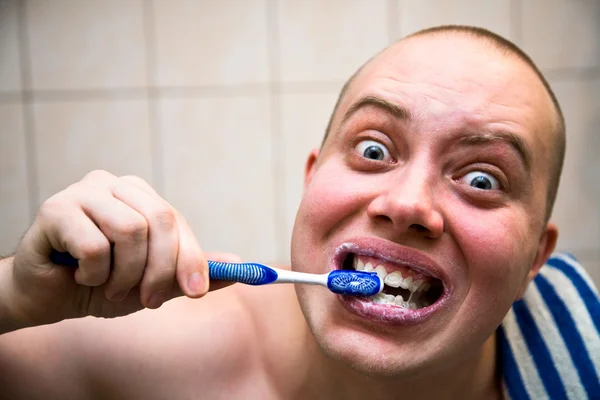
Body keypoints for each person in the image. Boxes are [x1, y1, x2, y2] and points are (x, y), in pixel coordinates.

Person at [0, 25, 598, 400]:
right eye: (373, 149)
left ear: (534, 261)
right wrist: (14, 296)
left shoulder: (580, 353)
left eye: (481, 179)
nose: (408, 204)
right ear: (313, 180)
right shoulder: (154, 353)